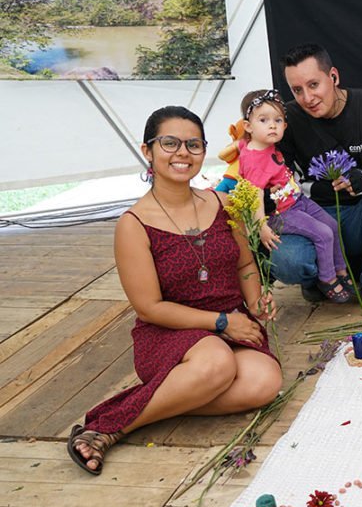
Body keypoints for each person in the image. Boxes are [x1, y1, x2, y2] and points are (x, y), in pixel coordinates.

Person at [68, 107, 282, 475]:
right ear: (147, 151)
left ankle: (168, 397)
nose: (183, 153)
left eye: (193, 144)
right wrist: (221, 323)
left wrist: (255, 301)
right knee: (217, 362)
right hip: (169, 332)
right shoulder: (133, 225)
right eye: (169, 143)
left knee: (266, 382)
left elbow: (246, 265)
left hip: (231, 321)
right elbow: (150, 307)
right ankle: (110, 425)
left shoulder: (223, 203)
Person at [273, 43, 362, 318]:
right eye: (297, 90)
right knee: (286, 261)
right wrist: (315, 189)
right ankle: (316, 277)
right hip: (314, 218)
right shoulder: (286, 119)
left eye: (314, 85)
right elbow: (279, 183)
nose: (307, 97)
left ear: (333, 76)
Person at [237, 89, 353, 303]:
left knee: (332, 224)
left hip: (297, 200)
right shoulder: (255, 160)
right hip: (282, 213)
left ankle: (340, 269)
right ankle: (327, 279)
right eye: (263, 120)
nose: (272, 125)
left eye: (278, 120)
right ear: (248, 126)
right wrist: (261, 225)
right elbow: (254, 196)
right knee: (323, 233)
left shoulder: (265, 145)